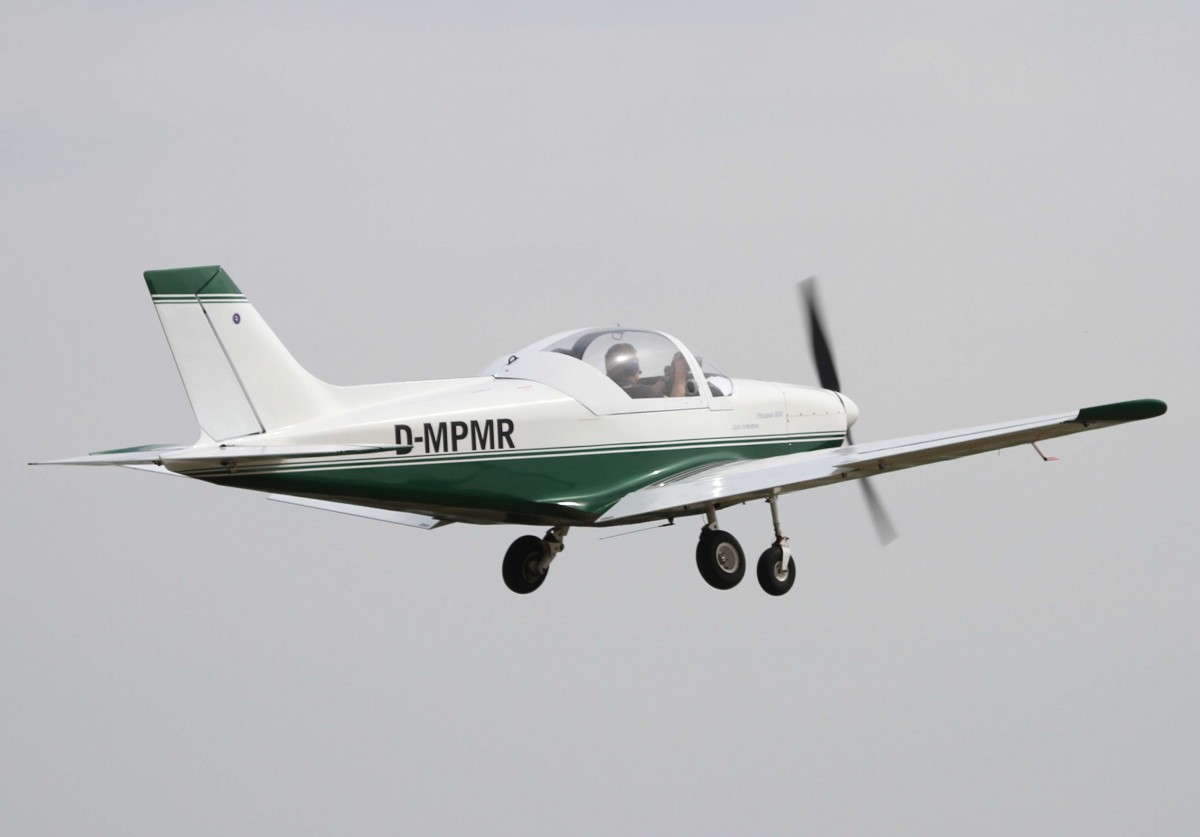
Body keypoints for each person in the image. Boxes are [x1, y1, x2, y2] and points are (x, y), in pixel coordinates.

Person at [605, 343, 689, 398]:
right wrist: (681, 376)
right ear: (632, 367)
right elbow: (674, 407)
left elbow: (648, 392)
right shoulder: (641, 392)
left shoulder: (607, 391)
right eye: (636, 363)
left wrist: (666, 377)